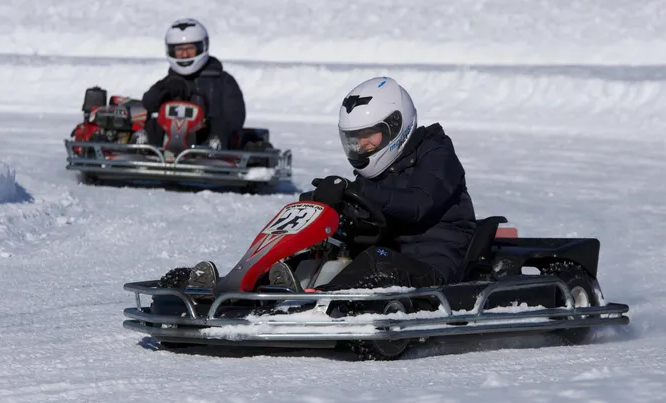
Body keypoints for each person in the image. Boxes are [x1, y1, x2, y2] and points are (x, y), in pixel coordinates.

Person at [174, 76, 476, 293]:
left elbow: (417, 205)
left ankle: (308, 302)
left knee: (374, 262)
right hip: (392, 253)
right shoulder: (382, 167)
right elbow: (375, 212)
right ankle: (242, 286)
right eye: (354, 139)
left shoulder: (437, 154)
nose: (361, 146)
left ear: (397, 125)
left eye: (369, 135)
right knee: (318, 251)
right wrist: (328, 204)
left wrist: (354, 190)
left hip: (433, 265)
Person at [133, 18, 247, 151]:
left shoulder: (223, 81)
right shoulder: (170, 80)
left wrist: (206, 125)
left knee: (221, 127)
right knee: (152, 123)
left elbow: (234, 119)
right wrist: (165, 89)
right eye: (179, 50)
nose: (184, 55)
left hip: (208, 145)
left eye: (190, 49)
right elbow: (147, 103)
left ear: (202, 47)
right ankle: (143, 153)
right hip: (167, 144)